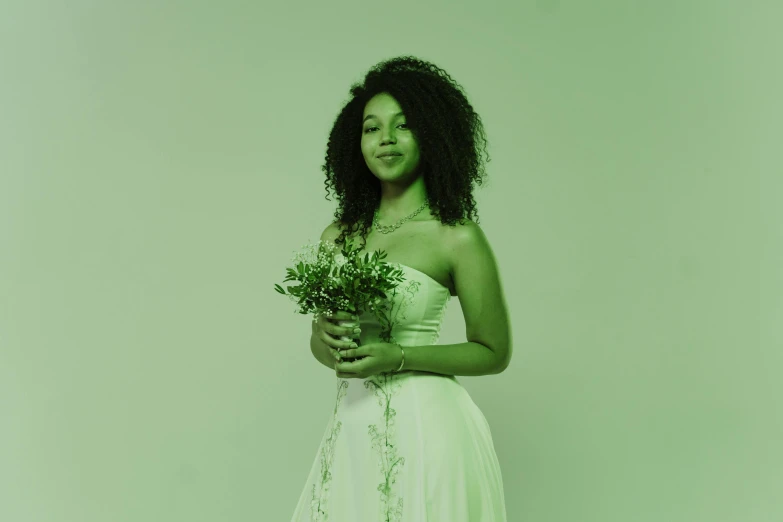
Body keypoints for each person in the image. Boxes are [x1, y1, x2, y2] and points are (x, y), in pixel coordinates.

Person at [290, 56, 512, 522]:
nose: (385, 139)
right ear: (356, 143)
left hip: (430, 432)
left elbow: (493, 352)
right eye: (372, 128)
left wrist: (401, 357)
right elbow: (322, 347)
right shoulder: (339, 236)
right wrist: (323, 336)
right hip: (351, 430)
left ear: (432, 135)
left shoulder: (456, 236)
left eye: (403, 125)